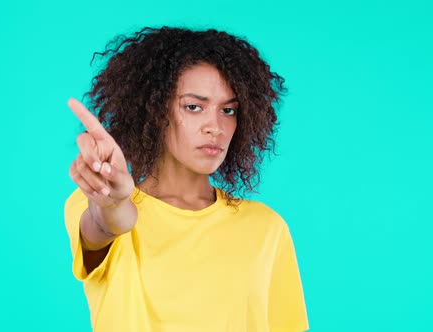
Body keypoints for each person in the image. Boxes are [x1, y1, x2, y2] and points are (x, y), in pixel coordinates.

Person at [64, 26, 309, 332]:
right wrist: (112, 201)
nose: (215, 126)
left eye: (229, 110)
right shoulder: (97, 202)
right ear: (153, 111)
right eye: (194, 107)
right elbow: (108, 223)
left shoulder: (266, 228)